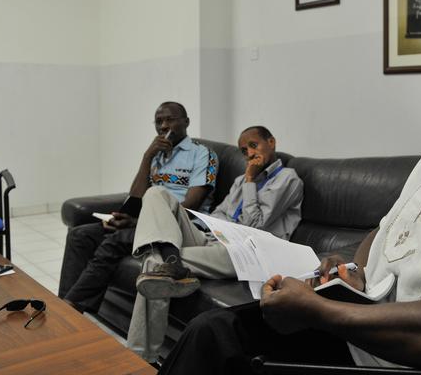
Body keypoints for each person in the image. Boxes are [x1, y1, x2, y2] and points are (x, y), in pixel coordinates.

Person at [157, 26, 421, 375]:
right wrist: (353, 269)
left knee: (219, 345)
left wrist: (317, 311)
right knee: (213, 331)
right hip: (366, 335)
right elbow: (385, 230)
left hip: (407, 362)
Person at [127, 125, 304, 362]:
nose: (249, 154)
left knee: (153, 262)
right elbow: (219, 214)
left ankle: (139, 358)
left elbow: (255, 224)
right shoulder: (239, 181)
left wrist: (250, 180)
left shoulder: (288, 179)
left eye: (253, 146)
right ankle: (173, 260)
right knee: (156, 193)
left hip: (246, 252)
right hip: (214, 238)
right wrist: (199, 228)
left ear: (271, 142)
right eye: (244, 151)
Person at [58, 101, 217, 316]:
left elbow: (190, 206)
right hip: (146, 221)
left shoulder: (203, 154)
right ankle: (63, 306)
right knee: (80, 235)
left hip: (180, 227)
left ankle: (71, 309)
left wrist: (137, 222)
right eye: (158, 121)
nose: (164, 126)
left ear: (186, 122)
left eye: (170, 119)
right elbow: (135, 197)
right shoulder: (158, 154)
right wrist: (147, 157)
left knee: (115, 240)